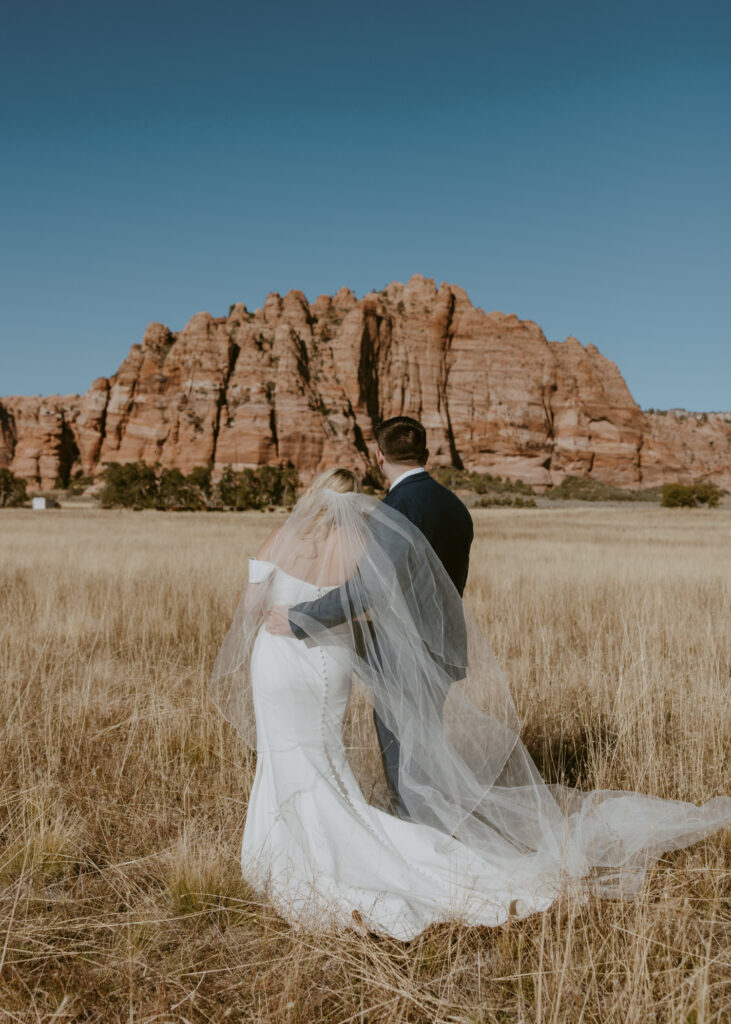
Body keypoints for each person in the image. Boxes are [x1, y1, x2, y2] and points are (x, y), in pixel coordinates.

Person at [209, 460, 731, 942]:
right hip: (333, 661)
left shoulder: (279, 537)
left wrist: (284, 611)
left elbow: (253, 607)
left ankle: (287, 850)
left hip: (280, 661)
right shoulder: (360, 545)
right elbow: (365, 599)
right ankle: (362, 834)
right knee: (323, 753)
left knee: (285, 752)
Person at [265, 416, 474, 814]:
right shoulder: (456, 507)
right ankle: (435, 828)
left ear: (379, 456)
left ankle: (420, 840)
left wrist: (299, 618)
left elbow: (367, 588)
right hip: (445, 644)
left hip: (404, 652)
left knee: (401, 757)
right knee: (425, 745)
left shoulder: (393, 509)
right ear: (425, 455)